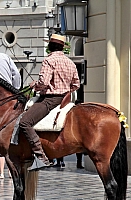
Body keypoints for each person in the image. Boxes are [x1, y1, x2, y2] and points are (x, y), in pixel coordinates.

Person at [19, 34, 80, 170]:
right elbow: (76, 84)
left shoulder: (49, 60)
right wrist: (65, 89)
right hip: (65, 99)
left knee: (24, 122)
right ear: (63, 47)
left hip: (50, 99)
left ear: (50, 47)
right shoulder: (70, 62)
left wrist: (34, 85)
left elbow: (44, 82)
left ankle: (41, 157)